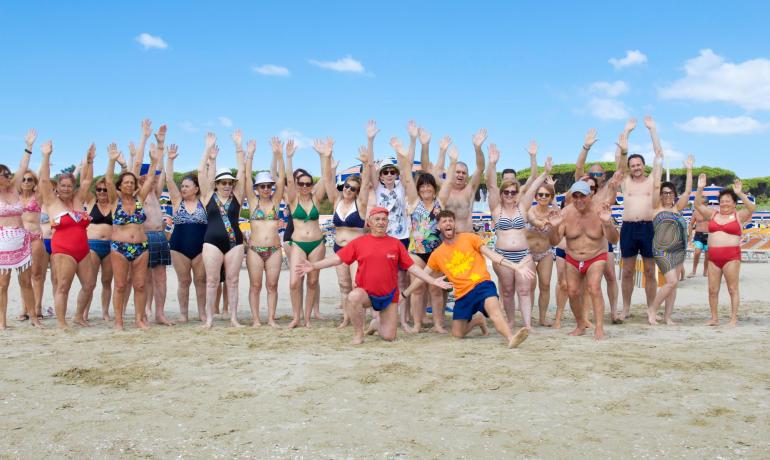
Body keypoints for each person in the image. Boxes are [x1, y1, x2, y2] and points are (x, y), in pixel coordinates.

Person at [296, 207, 452, 345]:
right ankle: (358, 335)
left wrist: (433, 281)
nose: (381, 222)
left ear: (387, 223)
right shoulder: (359, 242)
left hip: (389, 296)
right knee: (353, 297)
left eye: (384, 219)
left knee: (388, 337)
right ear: (369, 223)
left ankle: (375, 324)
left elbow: (412, 268)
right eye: (377, 219)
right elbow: (337, 259)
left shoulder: (395, 244)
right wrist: (314, 265)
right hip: (366, 293)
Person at [404, 210, 533, 347]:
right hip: (462, 294)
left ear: (454, 225)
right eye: (444, 221)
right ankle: (478, 320)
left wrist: (516, 266)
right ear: (438, 227)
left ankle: (510, 338)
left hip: (482, 285)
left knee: (495, 312)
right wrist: (404, 294)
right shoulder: (437, 254)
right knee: (457, 334)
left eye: (450, 220)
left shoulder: (470, 238)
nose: (448, 223)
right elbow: (422, 276)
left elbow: (492, 255)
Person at [485, 145, 552, 331]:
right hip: (502, 256)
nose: (509, 195)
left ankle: (528, 325)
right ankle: (511, 322)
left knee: (524, 290)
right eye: (506, 192)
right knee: (507, 291)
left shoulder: (522, 207)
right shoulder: (495, 209)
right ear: (501, 194)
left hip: (523, 255)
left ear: (517, 193)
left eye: (513, 192)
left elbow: (534, 185)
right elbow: (490, 184)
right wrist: (492, 164)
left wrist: (544, 171)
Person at [549, 180, 619, 340]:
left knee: (594, 287)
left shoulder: (600, 210)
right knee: (572, 292)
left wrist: (607, 224)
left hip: (596, 255)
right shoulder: (566, 213)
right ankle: (580, 325)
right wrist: (553, 227)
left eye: (583, 196)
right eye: (576, 196)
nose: (579, 200)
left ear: (591, 195)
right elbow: (553, 242)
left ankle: (599, 328)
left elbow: (614, 240)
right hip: (573, 256)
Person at [105, 136, 162, 330]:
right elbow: (108, 181)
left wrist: (154, 160)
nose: (129, 185)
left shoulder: (140, 198)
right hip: (119, 247)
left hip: (141, 247)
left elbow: (151, 178)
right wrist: (112, 161)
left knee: (140, 285)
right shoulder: (115, 200)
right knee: (120, 285)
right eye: (126, 182)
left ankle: (139, 319)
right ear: (120, 185)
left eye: (132, 182)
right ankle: (119, 321)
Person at [39, 142, 97, 329]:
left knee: (89, 285)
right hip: (63, 250)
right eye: (62, 185)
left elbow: (87, 181)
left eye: (69, 185)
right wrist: (46, 156)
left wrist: (89, 161)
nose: (65, 188)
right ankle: (62, 322)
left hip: (83, 250)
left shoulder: (78, 199)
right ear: (58, 186)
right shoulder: (51, 201)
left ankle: (78, 317)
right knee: (63, 286)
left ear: (73, 186)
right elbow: (43, 181)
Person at [392, 138, 445, 333]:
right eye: (422, 186)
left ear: (434, 187)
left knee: (436, 289)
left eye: (428, 186)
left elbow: (438, 172)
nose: (425, 189)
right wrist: (401, 152)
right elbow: (406, 175)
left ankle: (439, 324)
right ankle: (417, 324)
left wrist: (446, 155)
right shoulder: (414, 201)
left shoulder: (441, 201)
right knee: (418, 288)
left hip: (437, 253)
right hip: (416, 251)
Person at [575, 125, 625, 323]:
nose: (595, 177)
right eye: (592, 174)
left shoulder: (608, 190)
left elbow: (621, 170)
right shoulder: (582, 192)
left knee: (610, 275)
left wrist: (623, 150)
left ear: (604, 176)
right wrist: (585, 148)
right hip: (586, 239)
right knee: (586, 281)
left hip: (604, 237)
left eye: (598, 174)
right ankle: (586, 316)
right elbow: (579, 169)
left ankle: (613, 313)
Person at [693, 174, 755, 327]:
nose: (724, 204)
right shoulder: (713, 214)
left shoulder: (738, 215)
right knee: (712, 290)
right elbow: (697, 205)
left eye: (728, 201)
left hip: (731, 257)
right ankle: (714, 318)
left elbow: (752, 207)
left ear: (734, 203)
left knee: (732, 289)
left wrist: (740, 193)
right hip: (713, 257)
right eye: (722, 201)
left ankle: (733, 319)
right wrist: (700, 189)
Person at [199, 132, 246, 329]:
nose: (227, 185)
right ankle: (209, 319)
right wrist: (208, 150)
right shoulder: (208, 195)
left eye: (229, 183)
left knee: (233, 281)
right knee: (211, 281)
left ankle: (234, 318)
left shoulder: (238, 196)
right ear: (216, 184)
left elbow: (243, 171)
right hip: (211, 242)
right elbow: (202, 172)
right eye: (223, 182)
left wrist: (238, 145)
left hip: (235, 244)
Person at [285, 137, 331, 328]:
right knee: (295, 282)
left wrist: (323, 156)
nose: (304, 186)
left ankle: (307, 319)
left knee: (313, 281)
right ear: (296, 185)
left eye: (308, 184)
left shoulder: (316, 199)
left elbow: (327, 178)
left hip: (317, 243)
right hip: (297, 244)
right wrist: (288, 158)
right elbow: (287, 178)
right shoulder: (293, 199)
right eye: (301, 184)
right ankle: (296, 316)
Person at [618, 116, 659, 320]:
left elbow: (659, 154)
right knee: (627, 271)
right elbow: (619, 163)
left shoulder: (651, 181)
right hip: (628, 228)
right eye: (632, 165)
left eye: (638, 164)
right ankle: (626, 308)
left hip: (648, 227)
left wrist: (652, 130)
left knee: (650, 271)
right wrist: (627, 132)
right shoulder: (625, 182)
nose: (635, 168)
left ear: (643, 165)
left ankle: (651, 308)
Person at [326, 142, 371, 329]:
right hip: (338, 248)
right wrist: (328, 160)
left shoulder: (360, 205)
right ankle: (346, 319)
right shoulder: (336, 201)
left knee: (356, 285)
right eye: (346, 186)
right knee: (343, 285)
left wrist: (366, 165)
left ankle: (358, 319)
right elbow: (328, 182)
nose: (348, 190)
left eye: (353, 188)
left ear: (357, 192)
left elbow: (367, 184)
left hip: (357, 249)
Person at [132, 123, 173, 326]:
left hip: (159, 236)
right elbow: (139, 164)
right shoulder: (135, 194)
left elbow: (161, 171)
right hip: (144, 236)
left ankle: (160, 313)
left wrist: (161, 144)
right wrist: (144, 138)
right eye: (143, 174)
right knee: (144, 277)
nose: (146, 177)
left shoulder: (155, 193)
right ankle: (145, 310)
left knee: (161, 277)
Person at [243, 136, 286, 328]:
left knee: (272, 286)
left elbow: (282, 178)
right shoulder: (253, 202)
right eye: (262, 186)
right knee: (255, 286)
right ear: (256, 188)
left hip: (275, 249)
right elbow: (245, 176)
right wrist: (250, 155)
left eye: (269, 186)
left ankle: (270, 319)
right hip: (254, 249)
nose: (266, 189)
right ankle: (255, 320)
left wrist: (279, 155)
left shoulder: (276, 202)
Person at [647, 154, 694, 325]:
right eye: (664, 192)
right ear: (660, 195)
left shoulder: (677, 207)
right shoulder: (655, 208)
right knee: (672, 281)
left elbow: (688, 191)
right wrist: (658, 164)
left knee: (673, 285)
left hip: (679, 250)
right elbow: (655, 185)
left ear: (674, 194)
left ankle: (667, 316)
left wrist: (689, 170)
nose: (667, 195)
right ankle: (652, 309)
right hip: (661, 250)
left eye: (670, 192)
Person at [0, 130, 39, 329]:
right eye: (4, 174)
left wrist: (29, 146)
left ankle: (33, 317)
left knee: (26, 282)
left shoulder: (15, 187)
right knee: (2, 285)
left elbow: (23, 166)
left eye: (8, 174)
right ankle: (2, 322)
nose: (8, 176)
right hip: (2, 243)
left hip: (21, 240)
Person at [166, 143, 208, 323]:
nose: (183, 189)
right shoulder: (177, 202)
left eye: (187, 186)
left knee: (200, 280)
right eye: (182, 186)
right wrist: (170, 160)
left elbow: (205, 176)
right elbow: (168, 180)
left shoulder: (204, 201)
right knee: (184, 282)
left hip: (201, 247)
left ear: (196, 188)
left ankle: (202, 313)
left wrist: (207, 156)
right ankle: (183, 314)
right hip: (178, 246)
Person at [438, 128, 486, 233]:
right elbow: (438, 173)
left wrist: (478, 148)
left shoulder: (469, 190)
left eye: (464, 173)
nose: (460, 175)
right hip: (446, 239)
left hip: (466, 236)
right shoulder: (444, 188)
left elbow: (480, 168)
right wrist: (442, 151)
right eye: (457, 172)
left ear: (467, 176)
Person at [525, 175, 558, 327]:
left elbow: (558, 214)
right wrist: (541, 223)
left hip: (546, 251)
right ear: (536, 196)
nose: (543, 197)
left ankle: (542, 319)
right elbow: (532, 219)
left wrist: (553, 189)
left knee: (545, 285)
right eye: (540, 194)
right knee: (531, 285)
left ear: (551, 197)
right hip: (529, 252)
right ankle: (528, 319)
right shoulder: (529, 210)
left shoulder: (554, 212)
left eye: (547, 195)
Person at [18, 167, 46, 322]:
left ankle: (37, 307)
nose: (26, 182)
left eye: (30, 179)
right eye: (23, 179)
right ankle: (25, 308)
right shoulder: (14, 197)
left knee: (37, 274)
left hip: (35, 237)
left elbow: (44, 179)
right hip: (18, 239)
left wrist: (45, 156)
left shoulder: (39, 196)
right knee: (23, 276)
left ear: (34, 182)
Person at [688, 195, 710, 277]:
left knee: (708, 255)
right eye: (699, 203)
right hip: (699, 235)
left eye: (703, 203)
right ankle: (693, 271)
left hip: (709, 235)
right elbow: (691, 224)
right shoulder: (696, 212)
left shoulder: (711, 211)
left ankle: (705, 271)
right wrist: (690, 236)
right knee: (697, 253)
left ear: (707, 203)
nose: (701, 205)